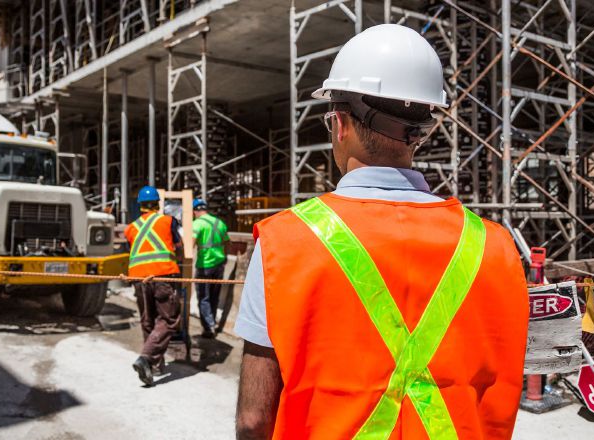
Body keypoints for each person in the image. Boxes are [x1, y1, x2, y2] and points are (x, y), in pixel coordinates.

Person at [234, 24, 529, 439]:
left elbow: (253, 419)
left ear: (339, 124)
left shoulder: (284, 243)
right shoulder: (495, 245)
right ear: (421, 131)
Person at [124, 185, 183, 387]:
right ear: (158, 204)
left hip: (139, 279)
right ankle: (146, 358)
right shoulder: (167, 221)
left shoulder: (130, 228)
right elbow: (178, 245)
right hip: (162, 275)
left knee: (148, 320)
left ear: (140, 205)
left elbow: (133, 251)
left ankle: (154, 366)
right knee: (169, 319)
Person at [192, 198, 230, 338]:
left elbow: (190, 245)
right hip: (219, 265)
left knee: (203, 297)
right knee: (214, 296)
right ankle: (212, 321)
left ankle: (209, 328)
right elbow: (227, 242)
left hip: (204, 266)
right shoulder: (220, 223)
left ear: (195, 211)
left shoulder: (197, 224)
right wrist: (224, 257)